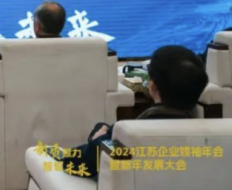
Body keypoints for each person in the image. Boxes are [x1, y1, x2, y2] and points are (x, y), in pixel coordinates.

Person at [60, 45, 208, 178]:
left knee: (99, 131)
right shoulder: (211, 136)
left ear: (152, 86)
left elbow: (73, 163)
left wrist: (98, 141)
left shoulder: (125, 133)